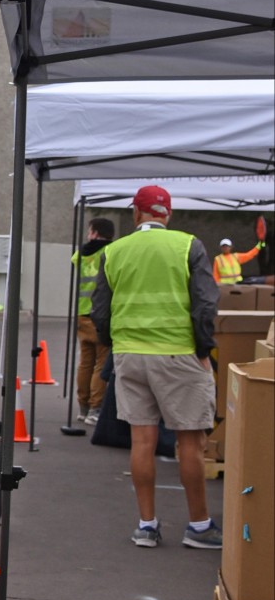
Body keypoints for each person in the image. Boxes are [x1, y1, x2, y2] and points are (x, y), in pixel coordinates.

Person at [91, 185, 221, 550]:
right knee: (191, 442)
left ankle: (146, 525)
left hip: (131, 356)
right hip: (179, 354)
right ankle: (199, 526)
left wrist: (117, 345)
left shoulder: (113, 252)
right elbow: (206, 304)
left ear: (136, 214)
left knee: (141, 441)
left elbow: (100, 309)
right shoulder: (188, 246)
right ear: (168, 214)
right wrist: (203, 350)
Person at [72, 218, 115, 425]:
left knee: (85, 363)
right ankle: (95, 409)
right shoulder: (111, 252)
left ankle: (83, 406)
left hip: (82, 314)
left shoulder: (80, 253)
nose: (88, 234)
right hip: (100, 314)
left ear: (96, 233)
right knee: (101, 364)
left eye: (90, 231)